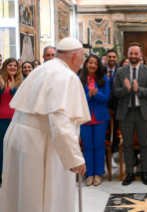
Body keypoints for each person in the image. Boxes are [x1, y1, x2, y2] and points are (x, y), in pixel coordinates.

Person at [1, 37, 90, 212]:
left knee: (21, 197)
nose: (81, 64)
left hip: (19, 135)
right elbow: (60, 120)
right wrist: (74, 158)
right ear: (75, 58)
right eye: (82, 59)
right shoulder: (66, 76)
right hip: (37, 143)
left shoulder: (42, 69)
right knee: (39, 199)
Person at [113, 42, 147, 186]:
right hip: (126, 113)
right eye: (131, 53)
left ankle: (145, 173)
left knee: (145, 144)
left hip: (143, 112)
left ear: (141, 55)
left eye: (136, 54)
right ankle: (130, 173)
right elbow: (115, 92)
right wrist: (127, 89)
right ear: (128, 54)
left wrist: (139, 89)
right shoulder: (120, 71)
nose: (133, 56)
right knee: (127, 144)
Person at [80, 55, 111, 186]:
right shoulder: (79, 79)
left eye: (95, 63)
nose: (93, 65)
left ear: (98, 66)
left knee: (98, 146)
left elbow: (107, 97)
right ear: (86, 64)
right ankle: (89, 174)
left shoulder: (104, 78)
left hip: (100, 117)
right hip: (84, 117)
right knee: (87, 147)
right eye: (90, 63)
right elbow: (77, 98)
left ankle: (98, 173)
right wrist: (89, 95)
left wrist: (96, 94)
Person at [0, 58, 23, 185]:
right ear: (5, 66)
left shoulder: (22, 82)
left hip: (17, 120)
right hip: (1, 120)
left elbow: (24, 101)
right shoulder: (0, 80)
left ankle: (14, 176)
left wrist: (14, 89)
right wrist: (1, 89)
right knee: (1, 149)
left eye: (15, 65)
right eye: (10, 65)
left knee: (15, 148)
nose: (13, 67)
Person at [104, 49, 120, 164]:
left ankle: (113, 154)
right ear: (106, 58)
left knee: (115, 130)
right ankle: (105, 155)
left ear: (116, 58)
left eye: (114, 57)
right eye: (110, 57)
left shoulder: (121, 71)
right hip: (103, 103)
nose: (112, 59)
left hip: (117, 104)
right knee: (105, 130)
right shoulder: (101, 71)